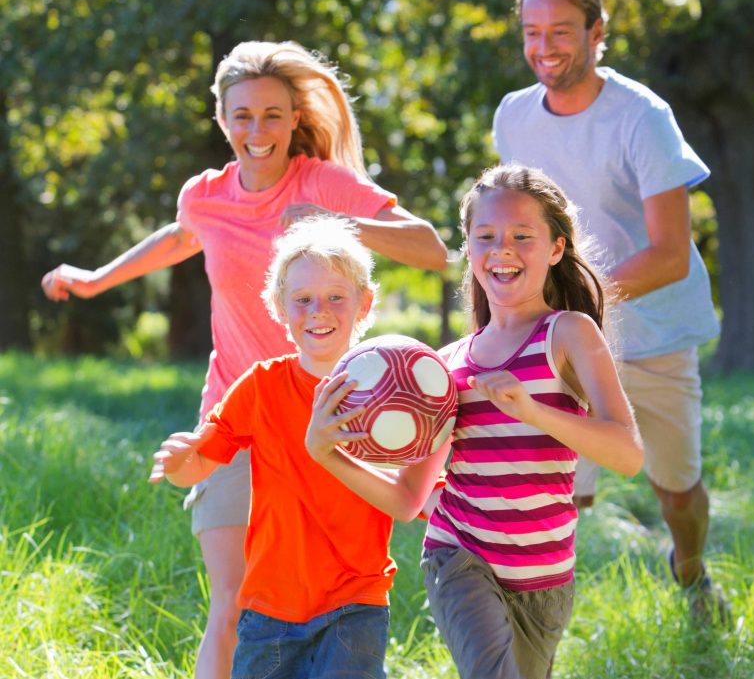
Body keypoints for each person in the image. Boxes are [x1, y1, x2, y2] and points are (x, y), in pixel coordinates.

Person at [40, 40, 448, 678]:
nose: (257, 131)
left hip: (329, 414)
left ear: (293, 119)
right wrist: (93, 279)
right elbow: (178, 238)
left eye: (272, 114)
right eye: (243, 115)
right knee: (236, 604)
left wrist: (338, 220)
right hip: (240, 414)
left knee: (334, 599)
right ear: (222, 119)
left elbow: (429, 247)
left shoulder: (321, 181)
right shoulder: (204, 196)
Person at [491, 0, 729, 624]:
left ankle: (690, 569)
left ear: (598, 31)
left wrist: (575, 296)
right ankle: (526, 623)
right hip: (560, 337)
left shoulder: (643, 117)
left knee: (675, 491)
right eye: (532, 32)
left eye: (561, 31)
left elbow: (671, 254)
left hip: (651, 333)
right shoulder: (513, 117)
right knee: (555, 489)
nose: (544, 47)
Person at [149, 216, 449, 679]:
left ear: (365, 302)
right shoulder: (261, 386)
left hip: (356, 601)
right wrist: (178, 462)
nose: (319, 311)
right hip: (269, 606)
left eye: (335, 298)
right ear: (279, 307)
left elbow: (417, 497)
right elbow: (197, 467)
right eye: (303, 300)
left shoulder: (395, 395)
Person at [420, 164, 644, 679]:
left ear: (556, 249)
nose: (502, 248)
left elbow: (627, 454)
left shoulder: (567, 333)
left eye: (523, 236)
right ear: (469, 248)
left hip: (544, 577)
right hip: (460, 556)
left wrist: (532, 410)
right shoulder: (449, 361)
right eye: (486, 236)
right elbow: (421, 477)